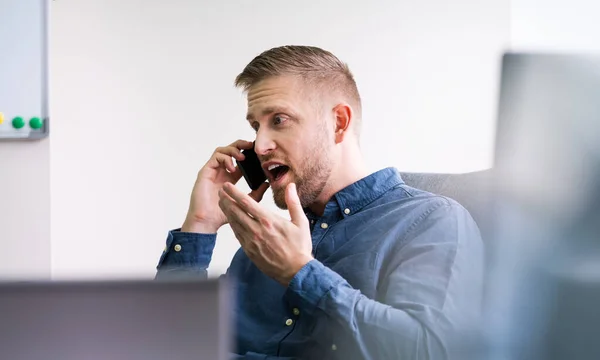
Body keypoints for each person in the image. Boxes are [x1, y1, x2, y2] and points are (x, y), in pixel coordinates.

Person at [155, 45, 484, 359]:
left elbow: (429, 352)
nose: (260, 145)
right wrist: (199, 225)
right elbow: (159, 345)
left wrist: (300, 272)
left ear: (339, 123)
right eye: (256, 126)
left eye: (279, 120)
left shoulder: (431, 220)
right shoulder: (262, 245)